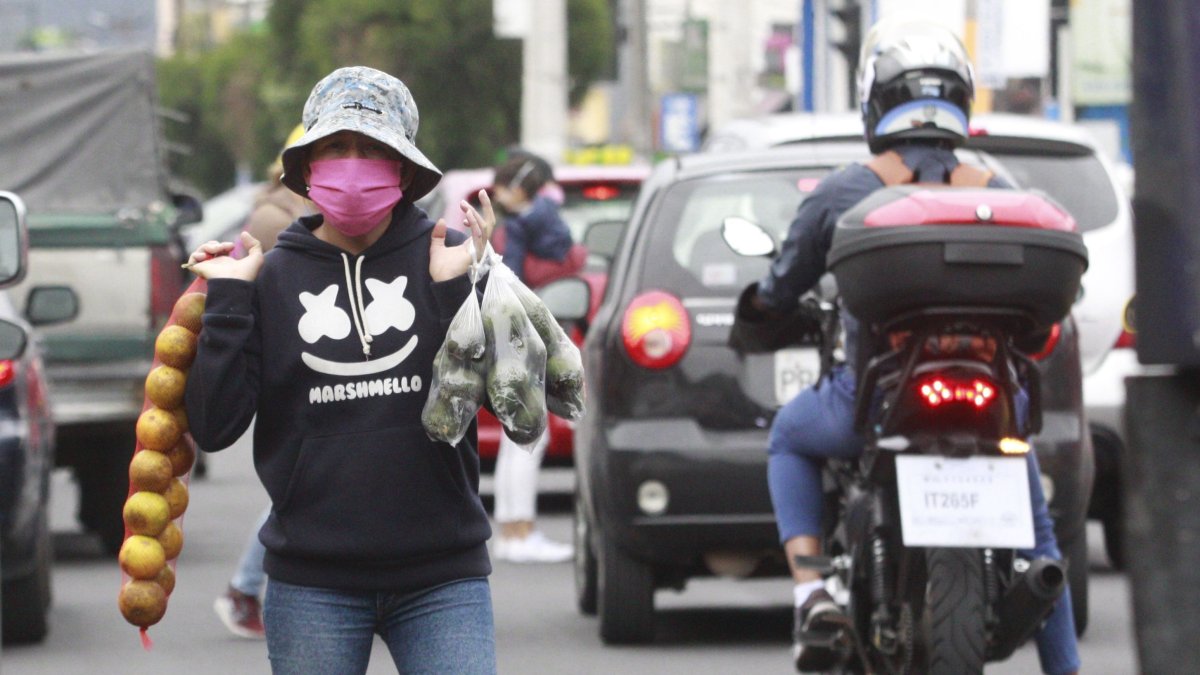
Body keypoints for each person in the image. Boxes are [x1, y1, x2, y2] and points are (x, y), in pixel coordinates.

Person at [731, 20, 1081, 675]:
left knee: (788, 435)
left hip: (872, 402)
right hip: (991, 402)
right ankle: (1066, 668)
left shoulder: (844, 190)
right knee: (1043, 541)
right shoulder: (998, 193)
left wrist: (761, 309)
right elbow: (1040, 324)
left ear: (875, 103)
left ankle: (812, 590)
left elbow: (781, 290)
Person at [184, 65, 498, 673]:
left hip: (443, 578)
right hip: (312, 583)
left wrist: (455, 297)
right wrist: (227, 303)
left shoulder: (451, 258)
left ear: (402, 169)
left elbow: (509, 410)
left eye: (372, 150)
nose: (353, 165)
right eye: (335, 148)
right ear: (306, 166)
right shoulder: (271, 276)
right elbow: (215, 426)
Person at [212, 123, 312, 640]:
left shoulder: (289, 208)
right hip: (292, 368)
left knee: (295, 494)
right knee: (292, 495)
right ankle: (244, 586)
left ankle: (245, 585)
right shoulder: (275, 216)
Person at [487, 151, 574, 563]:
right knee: (528, 438)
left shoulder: (514, 228)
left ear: (518, 187)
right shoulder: (538, 222)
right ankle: (521, 534)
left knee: (515, 438)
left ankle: (511, 532)